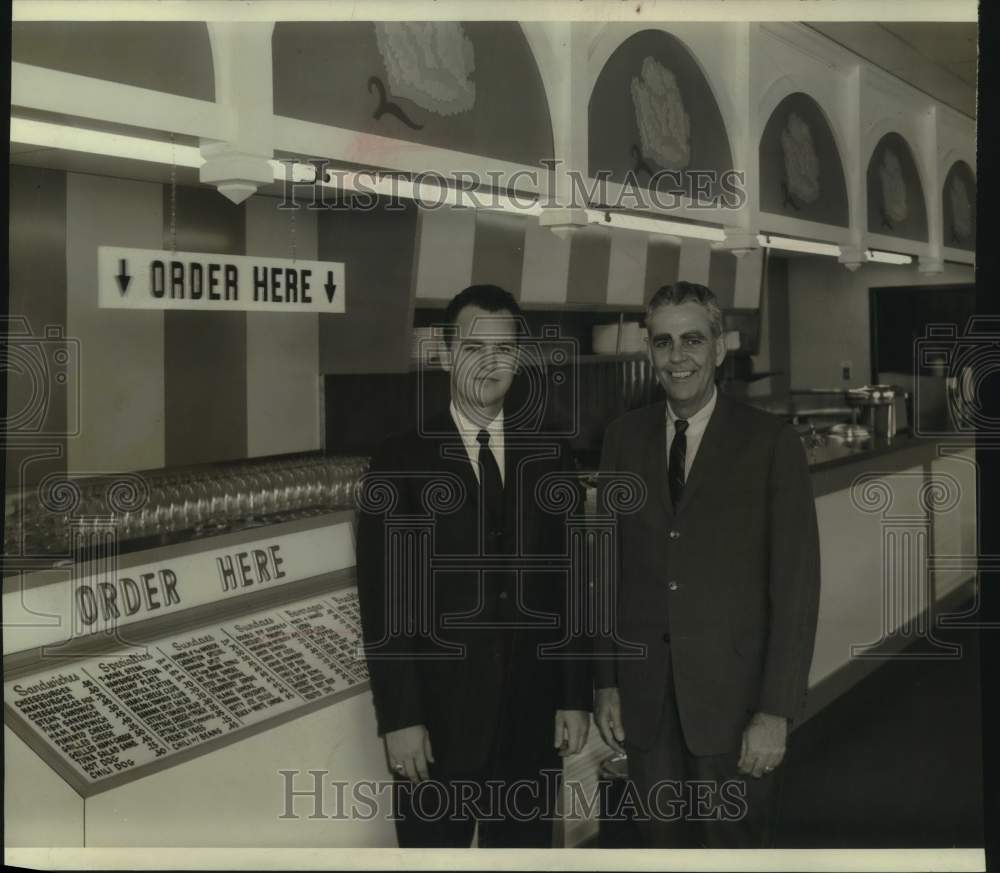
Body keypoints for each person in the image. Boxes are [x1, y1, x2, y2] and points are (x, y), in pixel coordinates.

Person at [355, 284, 592, 848]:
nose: (490, 363)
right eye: (473, 347)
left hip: (531, 724)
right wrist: (400, 718)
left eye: (504, 348)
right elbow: (386, 599)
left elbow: (571, 586)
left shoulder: (550, 453)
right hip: (437, 726)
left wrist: (573, 694)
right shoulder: (400, 460)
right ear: (443, 353)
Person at [594, 281, 821, 848]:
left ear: (720, 348)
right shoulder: (622, 440)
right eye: (664, 342)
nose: (678, 357)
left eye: (693, 340)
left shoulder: (770, 443)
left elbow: (796, 588)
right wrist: (605, 682)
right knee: (659, 848)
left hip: (736, 702)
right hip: (646, 702)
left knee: (734, 848)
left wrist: (775, 711)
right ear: (649, 351)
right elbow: (606, 571)